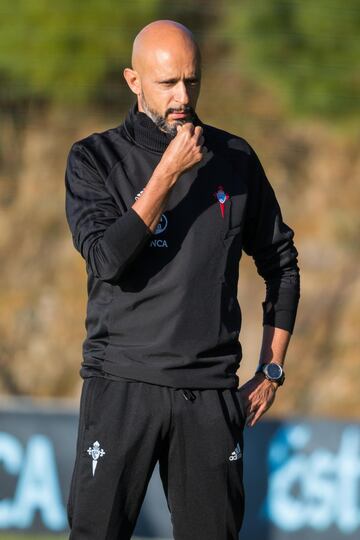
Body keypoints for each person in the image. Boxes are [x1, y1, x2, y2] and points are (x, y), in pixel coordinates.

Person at [65, 19, 300, 540]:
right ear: (134, 82)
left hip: (209, 395)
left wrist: (272, 368)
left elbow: (281, 264)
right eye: (167, 83)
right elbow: (106, 259)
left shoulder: (236, 159)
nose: (182, 96)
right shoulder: (94, 159)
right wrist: (168, 174)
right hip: (122, 384)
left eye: (191, 82)